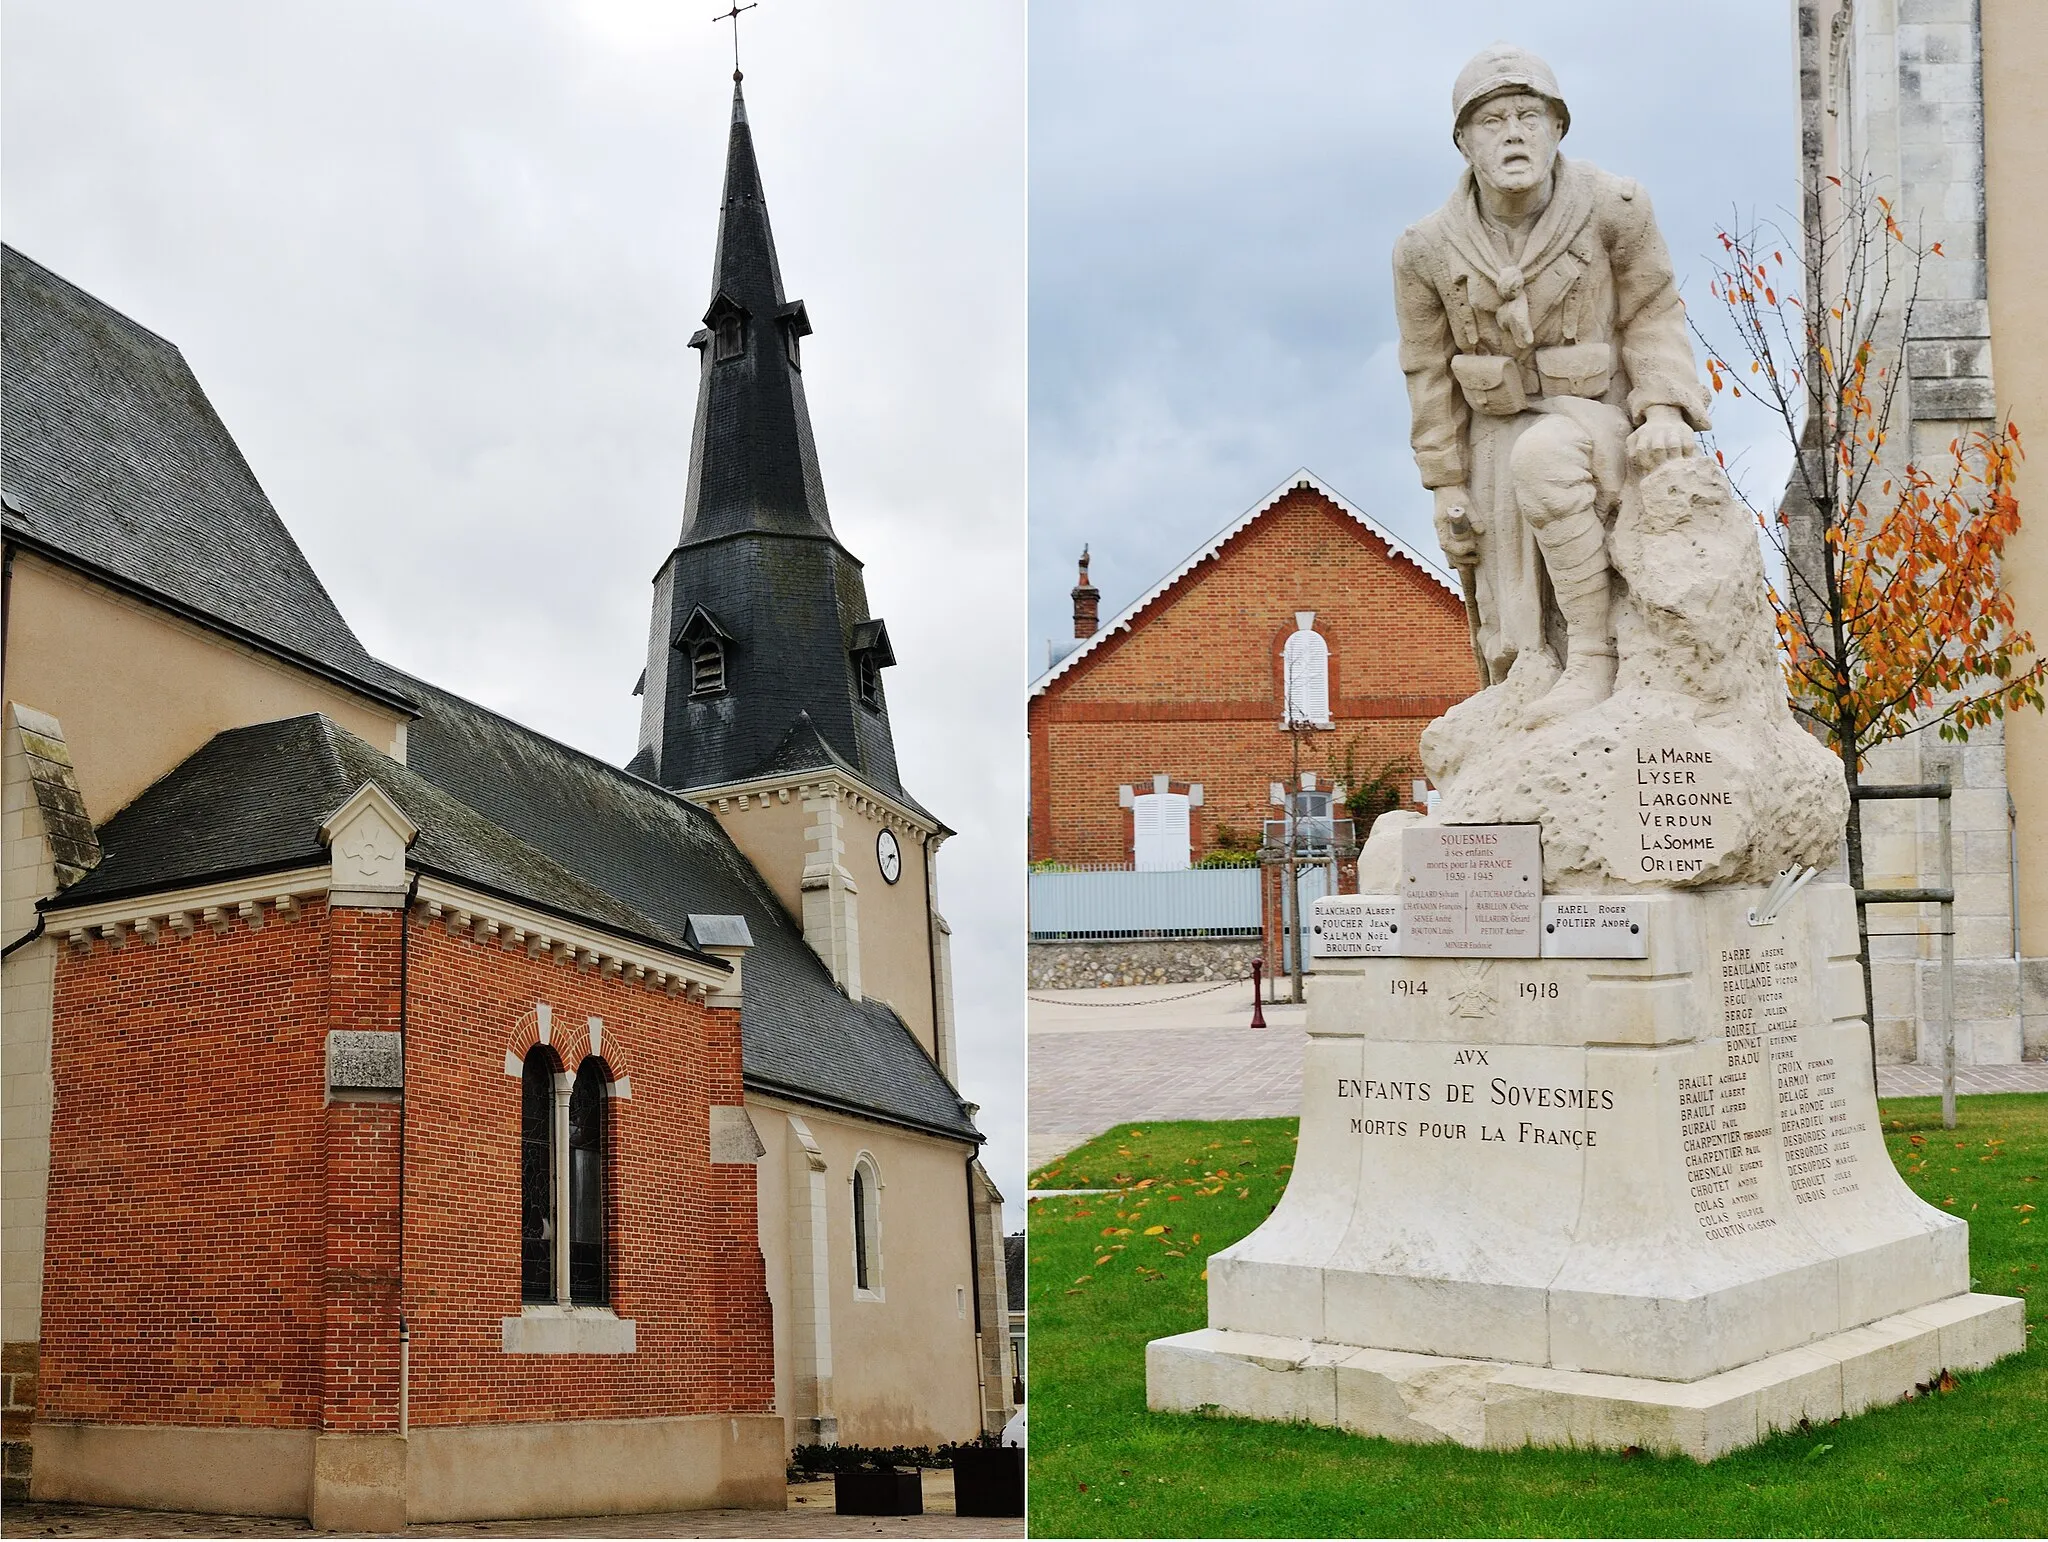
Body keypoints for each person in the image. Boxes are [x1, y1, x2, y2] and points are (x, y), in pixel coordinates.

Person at [1393, 44, 1711, 724]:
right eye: (1491, 120)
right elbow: (1427, 367)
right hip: (1490, 434)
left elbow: (1652, 311)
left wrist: (1663, 411)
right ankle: (1529, 680)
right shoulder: (1425, 248)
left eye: (1527, 115)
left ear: (1557, 128)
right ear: (1463, 142)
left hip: (1593, 415)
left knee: (1543, 458)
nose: (1512, 133)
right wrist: (1445, 483)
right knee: (1509, 638)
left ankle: (1595, 658)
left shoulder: (1614, 207)